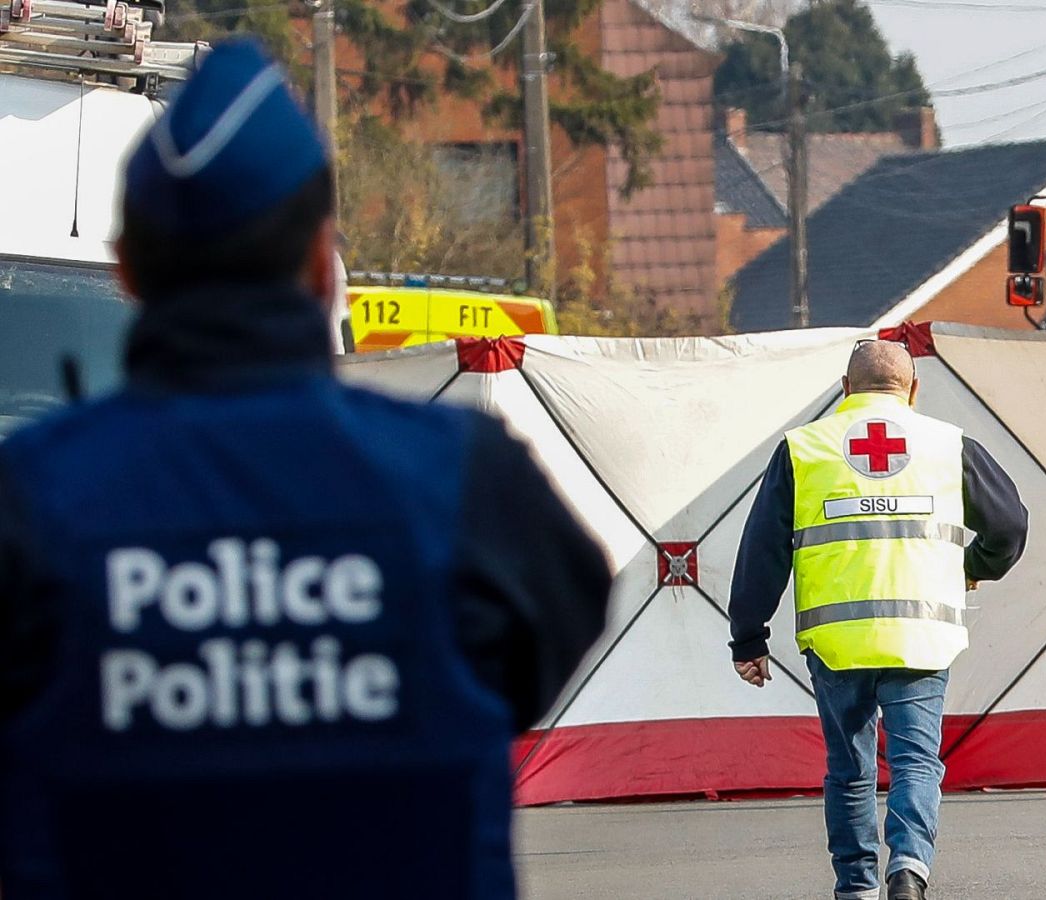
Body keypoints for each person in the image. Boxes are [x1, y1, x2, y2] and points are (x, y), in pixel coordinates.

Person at [0, 41, 611, 900]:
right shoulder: (465, 480)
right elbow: (542, 655)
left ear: (132, 268)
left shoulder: (28, 499)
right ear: (323, 263)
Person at [729, 340, 1027, 900]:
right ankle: (909, 869)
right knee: (916, 760)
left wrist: (749, 636)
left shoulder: (804, 449)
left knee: (849, 770)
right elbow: (1009, 525)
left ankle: (857, 886)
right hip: (920, 636)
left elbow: (762, 549)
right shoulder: (946, 445)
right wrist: (972, 565)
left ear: (845, 389)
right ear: (914, 389)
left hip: (836, 639)